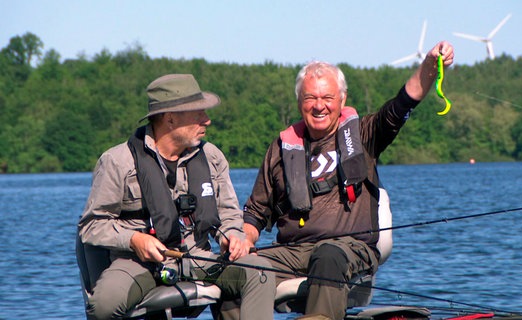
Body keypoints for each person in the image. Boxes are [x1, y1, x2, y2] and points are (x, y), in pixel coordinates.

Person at [243, 41, 455, 320]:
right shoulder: (281, 148)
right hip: (293, 252)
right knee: (240, 270)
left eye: (327, 98)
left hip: (348, 249)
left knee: (328, 255)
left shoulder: (366, 134)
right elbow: (255, 214)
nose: (319, 106)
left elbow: (406, 99)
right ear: (299, 102)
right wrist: (242, 239)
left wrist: (429, 65)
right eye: (310, 98)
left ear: (341, 100)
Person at [77, 74, 275, 320]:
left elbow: (229, 215)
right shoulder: (117, 162)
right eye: (198, 114)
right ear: (170, 118)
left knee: (260, 270)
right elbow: (91, 226)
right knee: (103, 305)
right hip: (137, 264)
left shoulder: (212, 157)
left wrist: (233, 237)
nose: (207, 120)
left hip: (196, 258)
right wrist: (135, 240)